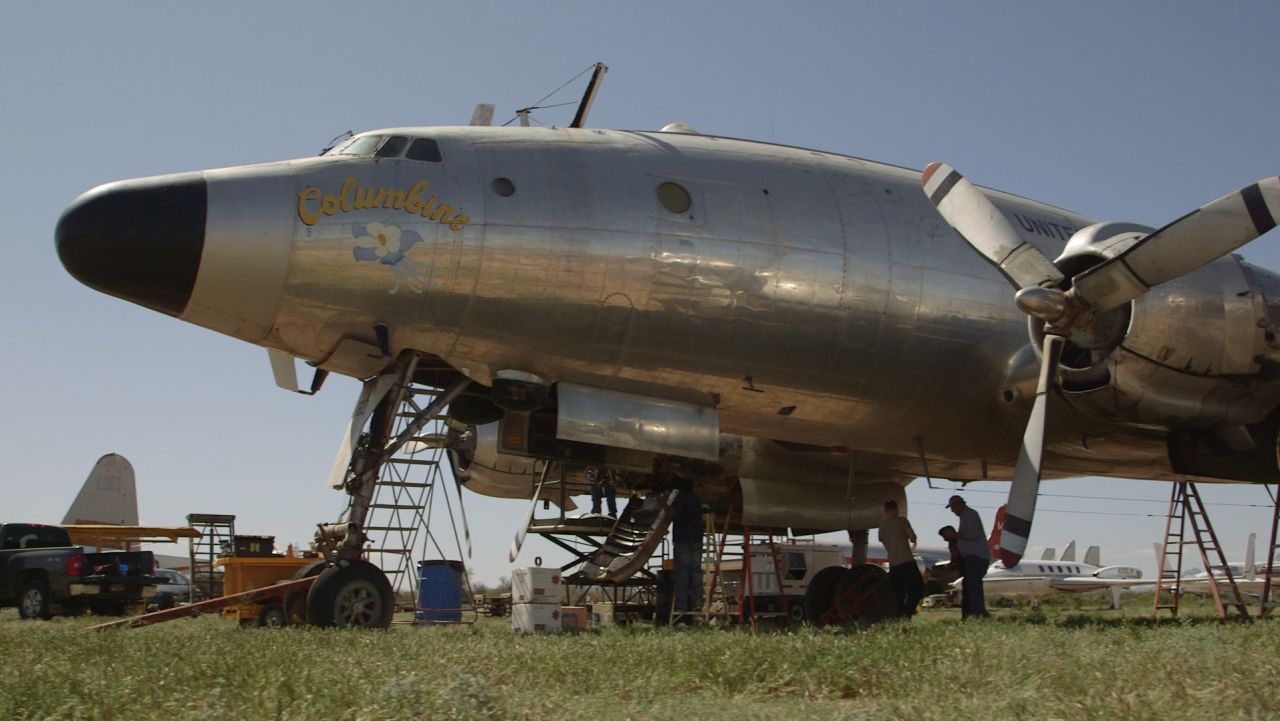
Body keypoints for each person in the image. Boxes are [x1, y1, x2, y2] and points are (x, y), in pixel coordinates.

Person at [946, 495, 991, 618]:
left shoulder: (970, 515)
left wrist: (954, 535)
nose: (952, 510)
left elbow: (972, 534)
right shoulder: (965, 516)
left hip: (976, 557)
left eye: (953, 507)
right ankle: (972, 613)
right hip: (972, 557)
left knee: (973, 584)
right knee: (969, 585)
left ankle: (979, 612)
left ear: (960, 504)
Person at [878, 499, 924, 618]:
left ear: (885, 510)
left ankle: (898, 616)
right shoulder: (902, 521)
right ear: (896, 509)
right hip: (906, 561)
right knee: (917, 589)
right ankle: (908, 613)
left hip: (893, 564)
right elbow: (913, 538)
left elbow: (884, 541)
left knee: (899, 593)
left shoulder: (882, 527)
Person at [669, 477, 703, 621]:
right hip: (696, 539)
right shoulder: (696, 499)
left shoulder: (681, 499)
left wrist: (664, 505)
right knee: (695, 572)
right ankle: (697, 604)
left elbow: (674, 514)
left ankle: (681, 606)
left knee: (682, 573)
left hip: (683, 540)